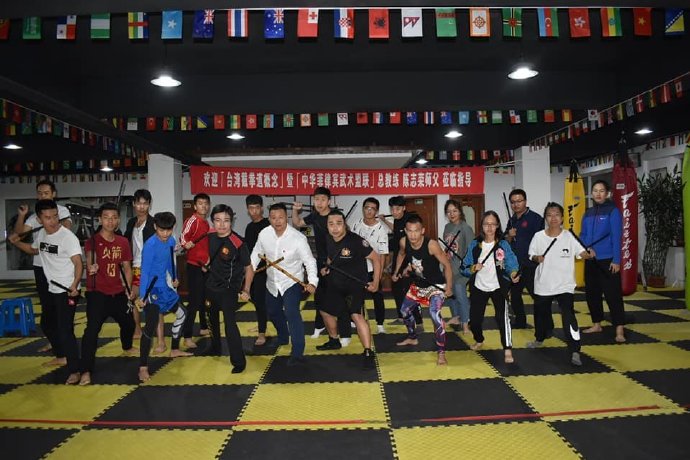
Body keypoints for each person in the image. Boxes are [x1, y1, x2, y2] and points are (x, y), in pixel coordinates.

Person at [9, 199, 83, 384]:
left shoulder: (67, 237)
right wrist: (17, 243)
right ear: (39, 219)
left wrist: (75, 284)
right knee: (47, 324)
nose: (53, 221)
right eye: (48, 217)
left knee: (65, 330)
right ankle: (61, 355)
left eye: (55, 216)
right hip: (52, 288)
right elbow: (33, 250)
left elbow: (78, 263)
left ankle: (75, 370)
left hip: (67, 289)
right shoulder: (42, 234)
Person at [247, 203, 318, 366]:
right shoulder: (264, 234)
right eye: (273, 218)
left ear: (287, 217)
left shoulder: (298, 238)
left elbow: (309, 261)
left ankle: (297, 352)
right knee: (272, 312)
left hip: (291, 282)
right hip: (272, 281)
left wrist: (312, 282)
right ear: (269, 219)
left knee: (292, 313)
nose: (277, 221)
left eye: (280, 217)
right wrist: (248, 276)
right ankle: (283, 336)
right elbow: (255, 257)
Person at [527, 203, 592, 366]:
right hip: (543, 284)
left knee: (569, 316)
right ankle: (540, 338)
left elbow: (581, 253)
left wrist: (588, 254)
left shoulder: (569, 236)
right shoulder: (538, 236)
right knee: (541, 314)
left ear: (562, 218)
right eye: (550, 215)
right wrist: (537, 258)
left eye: (556, 214)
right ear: (546, 218)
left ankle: (575, 349)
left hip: (565, 285)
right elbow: (531, 255)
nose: (553, 218)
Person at [13, 179, 72, 356]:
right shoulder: (34, 217)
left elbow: (63, 233)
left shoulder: (61, 211)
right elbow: (20, 234)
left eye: (46, 193)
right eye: (39, 193)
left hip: (59, 268)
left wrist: (47, 225)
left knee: (61, 310)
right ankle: (54, 342)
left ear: (54, 194)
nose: (43, 196)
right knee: (47, 308)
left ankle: (63, 347)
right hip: (41, 267)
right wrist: (22, 216)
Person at [80, 203, 137, 385]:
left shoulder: (123, 242)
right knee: (91, 332)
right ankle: (85, 371)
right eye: (106, 217)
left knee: (129, 324)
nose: (110, 221)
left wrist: (128, 288)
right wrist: (91, 266)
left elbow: (127, 268)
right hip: (97, 294)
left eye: (113, 218)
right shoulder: (92, 241)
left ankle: (127, 346)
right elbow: (90, 259)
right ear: (100, 220)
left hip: (118, 293)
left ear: (118, 220)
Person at [316, 210, 381, 369]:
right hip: (335, 283)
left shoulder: (356, 241)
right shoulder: (328, 238)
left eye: (338, 223)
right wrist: (327, 267)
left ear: (344, 224)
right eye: (331, 224)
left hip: (355, 285)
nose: (335, 228)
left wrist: (376, 282)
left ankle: (368, 352)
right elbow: (332, 256)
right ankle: (334, 340)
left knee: (356, 315)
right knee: (324, 310)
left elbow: (376, 258)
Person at [135, 212, 192, 382]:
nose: (165, 234)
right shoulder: (150, 245)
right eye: (161, 230)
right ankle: (143, 367)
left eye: (168, 230)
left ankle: (174, 349)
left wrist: (174, 277)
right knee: (150, 327)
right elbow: (145, 272)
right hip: (152, 290)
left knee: (183, 313)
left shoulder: (171, 241)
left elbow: (168, 261)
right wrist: (143, 296)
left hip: (165, 288)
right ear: (155, 227)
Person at [292, 187, 350, 344]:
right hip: (321, 261)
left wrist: (332, 261)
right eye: (316, 199)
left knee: (339, 296)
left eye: (323, 199)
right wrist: (295, 210)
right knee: (320, 295)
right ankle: (319, 325)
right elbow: (297, 223)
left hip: (337, 261)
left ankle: (345, 333)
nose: (319, 203)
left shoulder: (335, 216)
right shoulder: (315, 216)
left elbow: (345, 238)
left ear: (329, 201)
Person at [393, 215, 453, 365]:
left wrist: (449, 287)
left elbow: (447, 265)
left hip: (435, 286)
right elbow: (401, 254)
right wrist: (396, 271)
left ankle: (441, 353)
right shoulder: (403, 241)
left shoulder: (431, 245)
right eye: (409, 231)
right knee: (404, 311)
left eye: (416, 231)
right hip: (419, 285)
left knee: (434, 315)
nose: (413, 235)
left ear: (422, 231)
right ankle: (412, 338)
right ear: (405, 231)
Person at [462, 211, 520, 364]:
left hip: (498, 287)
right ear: (481, 226)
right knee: (475, 321)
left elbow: (511, 262)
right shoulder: (475, 244)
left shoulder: (503, 244)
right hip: (479, 287)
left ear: (498, 225)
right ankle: (479, 339)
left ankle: (507, 348)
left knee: (502, 319)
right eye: (486, 224)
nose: (489, 227)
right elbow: (464, 266)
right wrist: (473, 268)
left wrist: (513, 273)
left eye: (493, 224)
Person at [203, 204, 251, 373]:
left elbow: (249, 268)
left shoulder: (238, 242)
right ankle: (215, 347)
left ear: (232, 222)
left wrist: (246, 289)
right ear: (213, 221)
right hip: (211, 286)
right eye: (218, 220)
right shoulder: (209, 235)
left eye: (226, 220)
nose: (222, 224)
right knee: (211, 319)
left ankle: (239, 362)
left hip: (229, 289)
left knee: (230, 325)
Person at [580, 180, 626, 343]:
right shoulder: (588, 213)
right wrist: (585, 249)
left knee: (613, 296)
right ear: (591, 194)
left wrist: (617, 260)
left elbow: (617, 237)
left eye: (601, 191)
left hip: (608, 260)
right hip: (590, 260)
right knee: (592, 294)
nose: (598, 194)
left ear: (607, 193)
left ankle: (619, 329)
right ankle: (597, 324)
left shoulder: (613, 211)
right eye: (595, 191)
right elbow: (583, 235)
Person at [124, 189, 163, 346]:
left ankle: (161, 341)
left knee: (154, 304)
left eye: (145, 203)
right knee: (131, 299)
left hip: (150, 269)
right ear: (134, 204)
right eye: (139, 203)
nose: (141, 207)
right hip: (134, 267)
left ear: (149, 205)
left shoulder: (154, 224)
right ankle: (137, 329)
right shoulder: (131, 223)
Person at [380, 196, 423, 327]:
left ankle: (418, 321)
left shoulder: (410, 220)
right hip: (399, 258)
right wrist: (384, 220)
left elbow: (416, 242)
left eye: (397, 209)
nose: (394, 212)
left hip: (410, 260)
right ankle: (401, 316)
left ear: (404, 208)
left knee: (409, 290)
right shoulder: (397, 220)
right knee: (396, 288)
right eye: (392, 209)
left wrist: (408, 266)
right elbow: (396, 230)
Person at [505, 189, 545, 330]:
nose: (516, 205)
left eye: (519, 201)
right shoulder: (512, 220)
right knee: (515, 296)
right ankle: (520, 322)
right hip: (516, 265)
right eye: (513, 202)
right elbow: (506, 242)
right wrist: (509, 236)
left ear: (525, 201)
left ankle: (546, 325)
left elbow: (542, 240)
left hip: (531, 264)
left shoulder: (535, 218)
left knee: (537, 296)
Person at [351, 197, 389, 334]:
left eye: (372, 209)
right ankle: (355, 319)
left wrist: (379, 275)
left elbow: (383, 254)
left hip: (374, 269)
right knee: (356, 296)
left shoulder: (381, 229)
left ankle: (380, 324)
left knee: (377, 297)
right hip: (357, 268)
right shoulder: (356, 224)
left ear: (376, 211)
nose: (369, 211)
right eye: (367, 207)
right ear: (363, 209)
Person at [180, 193, 211, 349]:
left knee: (204, 297)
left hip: (204, 266)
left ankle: (204, 327)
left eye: (206, 203)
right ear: (195, 206)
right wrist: (185, 244)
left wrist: (208, 259)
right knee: (194, 301)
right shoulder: (192, 220)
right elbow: (183, 237)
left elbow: (205, 246)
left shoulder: (206, 223)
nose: (203, 206)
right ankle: (187, 336)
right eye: (200, 203)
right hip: (193, 266)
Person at [441, 199, 474, 334]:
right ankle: (456, 317)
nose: (452, 214)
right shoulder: (447, 227)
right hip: (449, 268)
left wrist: (466, 264)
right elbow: (447, 246)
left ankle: (465, 323)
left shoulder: (466, 228)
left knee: (460, 296)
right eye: (449, 212)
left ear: (460, 211)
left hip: (461, 269)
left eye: (454, 211)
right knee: (451, 295)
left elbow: (471, 250)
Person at [244, 195, 270, 346]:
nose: (254, 211)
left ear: (261, 208)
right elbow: (248, 249)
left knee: (260, 300)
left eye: (256, 208)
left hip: (267, 269)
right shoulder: (249, 227)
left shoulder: (268, 224)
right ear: (247, 209)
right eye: (251, 208)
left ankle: (262, 332)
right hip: (253, 269)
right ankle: (262, 321)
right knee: (254, 298)